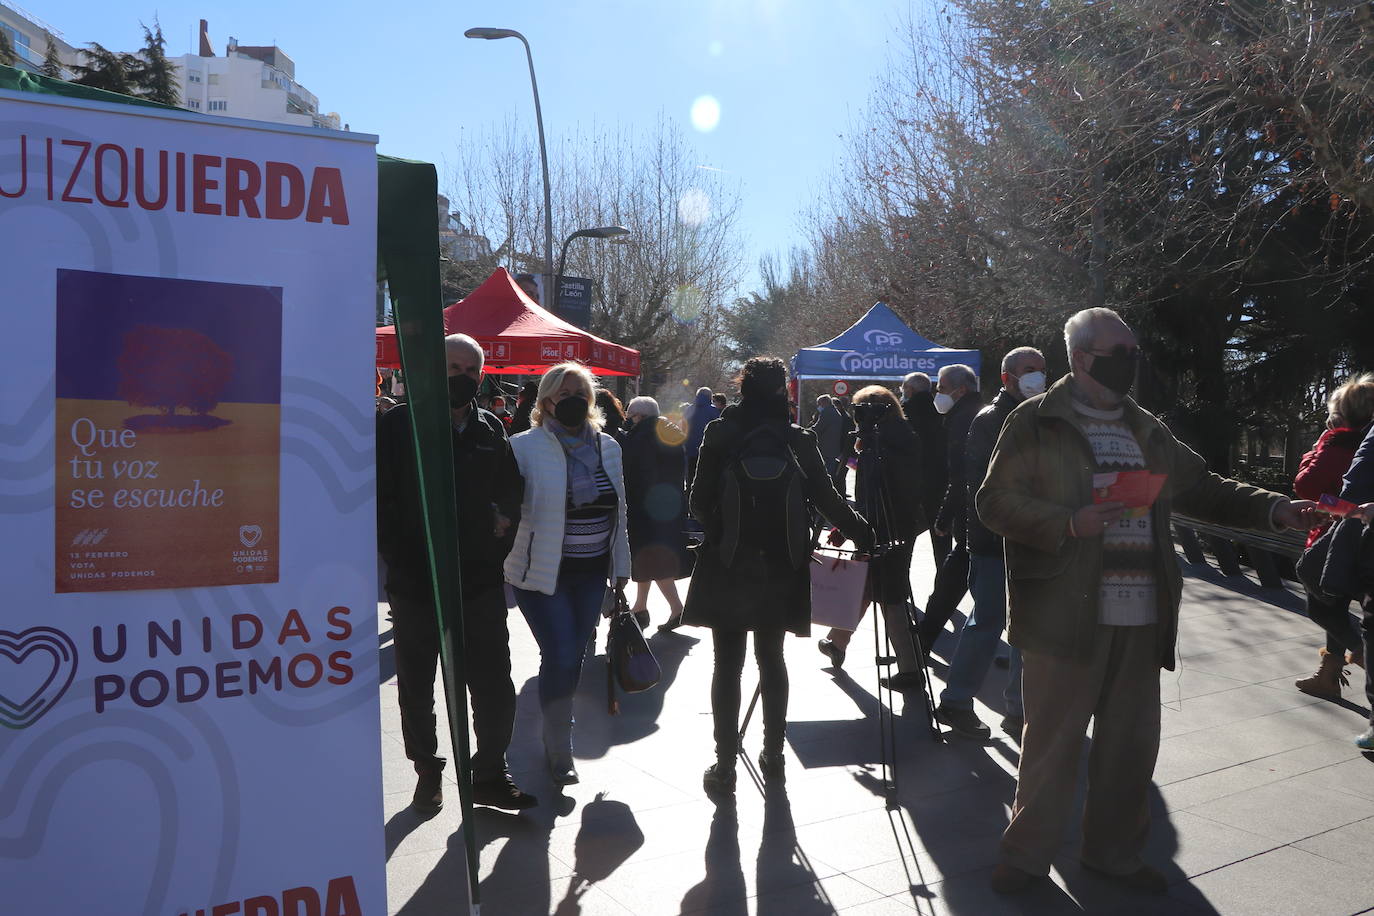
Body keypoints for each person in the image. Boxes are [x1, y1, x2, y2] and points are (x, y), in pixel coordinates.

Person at [977, 307, 1317, 895]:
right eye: (1120, 353)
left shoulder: (1145, 428)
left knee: (1129, 748)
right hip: (1065, 612)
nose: (1131, 363)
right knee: (1051, 745)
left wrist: (1273, 507)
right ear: (1083, 358)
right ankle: (1026, 856)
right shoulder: (1037, 420)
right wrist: (1069, 521)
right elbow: (994, 502)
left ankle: (1113, 854)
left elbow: (1202, 486)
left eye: (1134, 352)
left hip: (1141, 612)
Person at [684, 357, 872, 794]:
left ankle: (725, 764)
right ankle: (774, 755)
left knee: (726, 664)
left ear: (744, 388)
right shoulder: (797, 439)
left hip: (729, 563)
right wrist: (867, 534)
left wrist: (720, 535)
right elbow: (829, 500)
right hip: (782, 563)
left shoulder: (720, 432)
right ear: (781, 393)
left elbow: (697, 500)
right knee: (772, 659)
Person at [376, 333, 536, 812]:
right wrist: (403, 553)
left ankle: (489, 772)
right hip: (416, 583)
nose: (462, 378)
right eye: (453, 368)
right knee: (417, 683)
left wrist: (501, 526)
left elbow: (511, 492)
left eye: (471, 370)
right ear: (432, 370)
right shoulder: (401, 425)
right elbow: (381, 499)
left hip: (479, 582)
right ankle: (427, 768)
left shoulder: (490, 429)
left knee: (493, 683)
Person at [505, 362, 631, 786]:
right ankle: (561, 744)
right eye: (564, 394)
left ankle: (557, 737)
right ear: (546, 402)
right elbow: (506, 508)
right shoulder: (524, 446)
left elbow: (620, 514)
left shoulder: (608, 446)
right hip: (541, 574)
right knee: (559, 652)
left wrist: (621, 569)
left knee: (574, 656)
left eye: (581, 394)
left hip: (591, 572)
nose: (573, 401)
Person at [935, 346, 1046, 738]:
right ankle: (956, 701)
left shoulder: (1042, 415)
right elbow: (984, 485)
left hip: (1032, 538)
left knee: (1026, 627)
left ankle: (1018, 708)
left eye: (1042, 370)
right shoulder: (989, 420)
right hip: (994, 540)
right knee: (988, 621)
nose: (1038, 377)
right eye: (1029, 370)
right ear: (1007, 377)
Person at [817, 385, 927, 684]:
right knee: (865, 588)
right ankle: (837, 643)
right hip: (899, 528)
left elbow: (871, 495)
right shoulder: (906, 436)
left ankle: (910, 668)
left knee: (890, 596)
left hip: (880, 529)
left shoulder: (877, 446)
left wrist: (849, 525)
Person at [1290, 373, 1374, 698]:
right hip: (1355, 533)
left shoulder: (1338, 443)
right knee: (1335, 603)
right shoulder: (1363, 440)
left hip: (1336, 534)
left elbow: (1305, 486)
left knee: (1321, 604)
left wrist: (1317, 448)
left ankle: (1361, 653)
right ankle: (1329, 675)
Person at [916, 364, 983, 656]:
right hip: (982, 518)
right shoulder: (975, 413)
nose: (937, 394)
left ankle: (917, 651)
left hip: (973, 522)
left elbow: (961, 477)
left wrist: (944, 516)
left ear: (961, 390)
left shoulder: (963, 420)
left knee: (949, 587)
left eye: (941, 388)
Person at [621, 396, 690, 631]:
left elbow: (635, 473)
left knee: (653, 559)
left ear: (639, 416)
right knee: (647, 557)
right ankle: (640, 606)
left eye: (630, 416)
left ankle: (677, 608)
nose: (629, 420)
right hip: (669, 506)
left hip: (645, 507)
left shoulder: (640, 437)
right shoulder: (670, 432)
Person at [902, 372, 949, 564]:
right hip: (939, 482)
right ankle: (944, 586)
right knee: (942, 542)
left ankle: (900, 589)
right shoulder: (942, 411)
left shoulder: (904, 413)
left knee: (904, 543)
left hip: (910, 485)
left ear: (910, 390)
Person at [684, 387, 720, 499]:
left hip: (689, 450)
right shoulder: (713, 411)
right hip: (707, 451)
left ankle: (689, 506)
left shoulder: (688, 410)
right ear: (710, 397)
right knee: (705, 479)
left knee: (690, 478)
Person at [809, 395, 847, 488]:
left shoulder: (827, 412)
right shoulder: (836, 412)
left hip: (825, 448)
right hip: (833, 448)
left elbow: (818, 427)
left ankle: (825, 490)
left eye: (819, 404)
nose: (818, 406)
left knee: (825, 473)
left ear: (824, 402)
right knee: (831, 470)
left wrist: (806, 431)